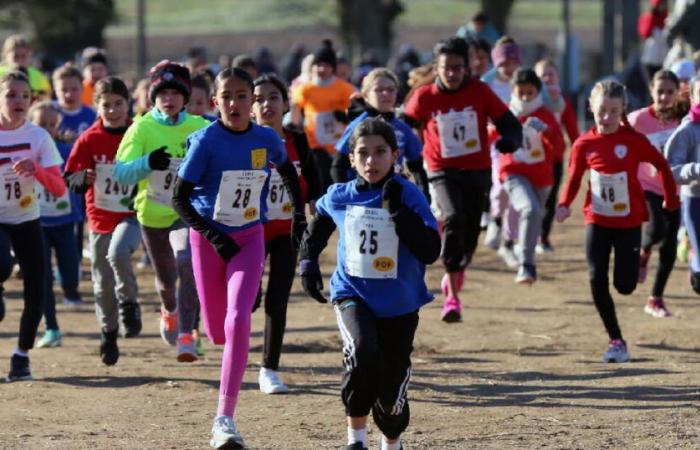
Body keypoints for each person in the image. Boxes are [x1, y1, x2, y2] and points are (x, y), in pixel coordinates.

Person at [171, 67, 305, 449]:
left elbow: (288, 171)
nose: (234, 103)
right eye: (226, 96)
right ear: (215, 102)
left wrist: (298, 215)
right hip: (208, 241)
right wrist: (213, 235)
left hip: (249, 238)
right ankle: (214, 339)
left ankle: (224, 419)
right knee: (217, 331)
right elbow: (180, 198)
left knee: (239, 319)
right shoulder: (206, 142)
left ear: (253, 101)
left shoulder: (266, 137)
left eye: (242, 95)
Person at [298, 117, 440, 450]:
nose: (371, 161)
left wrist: (398, 213)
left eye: (379, 153)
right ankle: (356, 440)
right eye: (362, 153)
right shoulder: (341, 195)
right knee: (362, 354)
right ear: (351, 159)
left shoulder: (408, 194)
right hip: (353, 294)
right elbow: (318, 223)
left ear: (394, 155)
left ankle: (391, 441)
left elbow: (431, 250)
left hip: (401, 302)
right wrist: (307, 263)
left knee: (390, 392)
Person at [556, 80, 679, 363]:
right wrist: (564, 204)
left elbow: (661, 165)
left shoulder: (633, 141)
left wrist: (670, 200)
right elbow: (574, 176)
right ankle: (616, 340)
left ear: (623, 109)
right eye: (602, 111)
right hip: (597, 220)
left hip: (628, 223)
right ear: (592, 108)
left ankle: (636, 262)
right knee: (595, 277)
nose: (607, 117)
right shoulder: (584, 144)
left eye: (613, 111)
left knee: (624, 286)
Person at [403, 37, 522, 323]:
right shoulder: (425, 96)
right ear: (437, 68)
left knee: (469, 235)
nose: (453, 74)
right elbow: (403, 126)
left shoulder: (480, 92)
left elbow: (508, 122)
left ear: (467, 67)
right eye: (447, 68)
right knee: (453, 218)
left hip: (477, 170)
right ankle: (452, 296)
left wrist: (510, 140)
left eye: (458, 67)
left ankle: (456, 271)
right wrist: (409, 157)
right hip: (441, 169)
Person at [114, 60, 209, 362]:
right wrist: (146, 164)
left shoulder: (200, 127)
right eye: (163, 93)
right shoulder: (141, 127)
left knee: (186, 261)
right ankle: (169, 309)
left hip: (187, 213)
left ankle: (187, 334)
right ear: (153, 97)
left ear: (185, 96)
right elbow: (121, 174)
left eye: (175, 93)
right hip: (152, 215)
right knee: (167, 281)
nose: (169, 99)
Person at [65, 76, 142, 365]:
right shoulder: (89, 139)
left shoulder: (138, 132)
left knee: (119, 253)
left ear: (128, 103)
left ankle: (130, 303)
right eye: (106, 105)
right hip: (99, 218)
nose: (112, 110)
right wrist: (82, 178)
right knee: (101, 283)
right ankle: (108, 333)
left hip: (132, 214)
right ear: (96, 107)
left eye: (118, 104)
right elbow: (69, 179)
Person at [251, 73, 320, 394]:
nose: (267, 104)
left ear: (285, 104)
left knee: (277, 301)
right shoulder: (242, 140)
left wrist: (314, 207)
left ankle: (269, 368)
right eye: (259, 98)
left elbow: (315, 183)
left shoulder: (298, 139)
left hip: (287, 232)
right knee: (249, 301)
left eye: (273, 98)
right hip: (248, 232)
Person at [0, 71, 65, 381]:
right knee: (1, 264)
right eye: (11, 94)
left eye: (24, 96)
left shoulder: (38, 137)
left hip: (26, 218)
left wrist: (36, 169)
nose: (18, 101)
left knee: (37, 288)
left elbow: (59, 188)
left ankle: (21, 355)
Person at [499, 69, 564, 283]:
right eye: (522, 92)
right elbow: (491, 134)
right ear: (513, 91)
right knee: (530, 208)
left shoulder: (545, 114)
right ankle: (526, 265)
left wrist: (547, 132)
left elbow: (559, 148)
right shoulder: (507, 113)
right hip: (513, 172)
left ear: (538, 92)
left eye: (530, 92)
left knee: (536, 215)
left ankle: (516, 248)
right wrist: (500, 133)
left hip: (540, 177)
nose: (526, 97)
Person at [29, 102, 84, 348]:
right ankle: (51, 327)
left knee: (71, 276)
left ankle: (69, 284)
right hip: (37, 222)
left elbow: (81, 175)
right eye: (42, 124)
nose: (48, 129)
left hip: (65, 222)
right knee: (43, 278)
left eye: (52, 125)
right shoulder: (27, 153)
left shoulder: (66, 150)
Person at [629, 70, 682, 317]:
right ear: (651, 91)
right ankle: (644, 251)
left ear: (678, 93)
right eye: (660, 91)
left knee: (670, 246)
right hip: (647, 184)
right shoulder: (639, 119)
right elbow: (615, 129)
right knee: (656, 227)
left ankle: (655, 299)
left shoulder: (683, 120)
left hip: (676, 187)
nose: (664, 97)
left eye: (670, 92)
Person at [331, 68, 429, 201]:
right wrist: (344, 196)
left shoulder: (402, 128)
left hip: (391, 195)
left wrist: (425, 197)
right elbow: (338, 166)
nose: (386, 94)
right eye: (379, 90)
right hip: (361, 197)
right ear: (365, 94)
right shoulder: (358, 125)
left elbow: (416, 166)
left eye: (391, 89)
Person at [291, 39, 355, 192]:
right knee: (321, 179)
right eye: (318, 65)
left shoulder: (344, 88)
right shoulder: (305, 89)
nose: (322, 69)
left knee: (339, 179)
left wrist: (345, 117)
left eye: (326, 66)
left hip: (340, 142)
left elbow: (356, 112)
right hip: (315, 142)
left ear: (333, 68)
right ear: (312, 68)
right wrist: (293, 126)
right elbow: (295, 112)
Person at [534, 59, 580, 253]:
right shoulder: (530, 100)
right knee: (532, 198)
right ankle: (525, 235)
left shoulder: (563, 102)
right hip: (532, 157)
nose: (546, 78)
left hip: (555, 157)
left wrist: (579, 152)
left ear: (558, 77)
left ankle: (543, 238)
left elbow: (572, 130)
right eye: (542, 75)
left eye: (550, 74)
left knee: (550, 199)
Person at [664, 77, 700, 295]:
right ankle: (694, 257)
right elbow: (670, 171)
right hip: (695, 202)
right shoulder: (688, 130)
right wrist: (697, 170)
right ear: (693, 97)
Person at [0, 34, 51, 100]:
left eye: (23, 56)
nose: (20, 61)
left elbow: (47, 101)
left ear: (29, 56)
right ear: (6, 55)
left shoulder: (39, 77)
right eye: (16, 57)